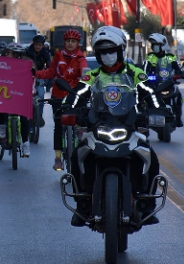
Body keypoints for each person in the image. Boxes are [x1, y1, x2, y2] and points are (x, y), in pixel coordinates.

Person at [63, 26, 162, 227]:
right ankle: (82, 202)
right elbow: (76, 94)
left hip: (129, 127)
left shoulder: (134, 73)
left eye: (111, 50)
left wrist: (159, 109)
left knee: (151, 157)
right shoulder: (92, 76)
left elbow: (149, 93)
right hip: (98, 127)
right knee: (76, 155)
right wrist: (68, 108)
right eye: (102, 52)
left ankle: (147, 204)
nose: (107, 55)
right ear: (97, 55)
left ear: (120, 50)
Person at [35, 29, 87, 170]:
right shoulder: (58, 55)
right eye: (68, 41)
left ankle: (80, 133)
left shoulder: (81, 58)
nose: (70, 44)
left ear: (78, 43)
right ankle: (58, 157)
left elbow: (85, 72)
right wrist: (36, 73)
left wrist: (86, 76)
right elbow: (50, 72)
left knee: (81, 120)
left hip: (74, 95)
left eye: (73, 41)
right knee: (58, 126)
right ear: (64, 42)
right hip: (58, 95)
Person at [143, 33, 184, 127]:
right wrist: (144, 76)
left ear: (163, 45)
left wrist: (179, 74)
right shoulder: (150, 57)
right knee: (144, 97)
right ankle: (145, 119)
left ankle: (178, 118)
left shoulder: (171, 57)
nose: (154, 47)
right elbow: (144, 69)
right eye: (153, 45)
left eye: (156, 45)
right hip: (155, 84)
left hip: (168, 83)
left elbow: (178, 68)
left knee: (178, 96)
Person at [26, 34, 51, 125]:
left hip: (39, 77)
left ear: (43, 45)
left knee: (41, 94)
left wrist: (49, 76)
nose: (37, 47)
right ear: (33, 44)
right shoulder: (27, 51)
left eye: (40, 45)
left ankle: (39, 115)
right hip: (27, 77)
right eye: (36, 44)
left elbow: (49, 66)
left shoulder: (46, 53)